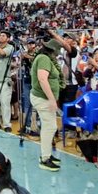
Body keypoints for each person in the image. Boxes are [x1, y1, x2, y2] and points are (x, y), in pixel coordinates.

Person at [30, 37, 64, 171]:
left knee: (49, 127)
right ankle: (45, 158)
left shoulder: (45, 58)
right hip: (43, 98)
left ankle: (47, 154)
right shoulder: (44, 59)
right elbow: (43, 80)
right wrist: (51, 99)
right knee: (49, 127)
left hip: (44, 98)